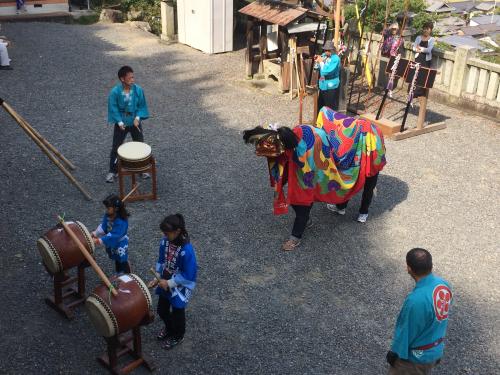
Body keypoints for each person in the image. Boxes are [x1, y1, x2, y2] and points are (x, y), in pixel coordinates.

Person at [387, 248, 453, 374]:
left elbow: (407, 330)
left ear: (409, 268)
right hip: (435, 349)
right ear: (431, 265)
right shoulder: (443, 285)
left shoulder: (415, 300)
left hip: (415, 360)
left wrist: (395, 352)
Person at [148, 214, 197, 350]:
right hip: (165, 279)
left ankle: (178, 335)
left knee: (177, 311)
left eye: (167, 233)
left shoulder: (187, 251)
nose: (164, 235)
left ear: (177, 232)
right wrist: (156, 277)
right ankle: (169, 328)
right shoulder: (165, 242)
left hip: (181, 284)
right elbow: (161, 260)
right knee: (162, 310)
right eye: (164, 233)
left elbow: (189, 275)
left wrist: (169, 283)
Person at [106, 65, 150, 183]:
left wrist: (138, 117)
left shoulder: (138, 90)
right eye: (130, 78)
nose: (133, 80)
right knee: (116, 146)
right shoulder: (115, 92)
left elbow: (142, 105)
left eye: (133, 77)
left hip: (135, 122)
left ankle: (141, 169)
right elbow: (113, 108)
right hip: (122, 122)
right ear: (122, 79)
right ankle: (113, 171)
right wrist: (119, 122)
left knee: (139, 144)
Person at [92, 194, 131, 274]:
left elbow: (114, 235)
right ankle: (119, 272)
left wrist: (99, 240)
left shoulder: (121, 221)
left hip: (120, 242)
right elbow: (103, 226)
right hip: (111, 240)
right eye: (106, 208)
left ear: (116, 208)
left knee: (122, 258)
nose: (106, 210)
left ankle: (128, 275)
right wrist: (95, 233)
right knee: (116, 258)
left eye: (108, 208)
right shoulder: (108, 215)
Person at [410, 22, 435, 100]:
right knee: (416, 74)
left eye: (427, 29)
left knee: (423, 76)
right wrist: (418, 49)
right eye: (424, 28)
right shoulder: (418, 37)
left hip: (426, 60)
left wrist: (420, 49)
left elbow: (429, 50)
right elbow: (414, 48)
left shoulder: (432, 39)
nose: (425, 30)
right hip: (418, 58)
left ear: (430, 30)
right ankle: (412, 91)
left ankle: (419, 93)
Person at [315, 40, 341, 111]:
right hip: (323, 84)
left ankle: (328, 121)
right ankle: (319, 120)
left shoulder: (335, 59)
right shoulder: (324, 55)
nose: (326, 52)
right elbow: (318, 67)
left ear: (332, 50)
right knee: (320, 104)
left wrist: (320, 62)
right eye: (325, 50)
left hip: (331, 85)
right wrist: (317, 61)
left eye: (328, 50)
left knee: (329, 106)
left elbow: (326, 71)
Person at [379, 22, 403, 89]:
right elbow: (383, 31)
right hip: (384, 54)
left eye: (395, 29)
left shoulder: (400, 39)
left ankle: (387, 87)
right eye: (392, 29)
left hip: (392, 57)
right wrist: (390, 26)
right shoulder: (387, 35)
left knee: (389, 72)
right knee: (382, 70)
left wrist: (398, 57)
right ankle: (381, 85)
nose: (393, 30)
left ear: (398, 29)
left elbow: (400, 50)